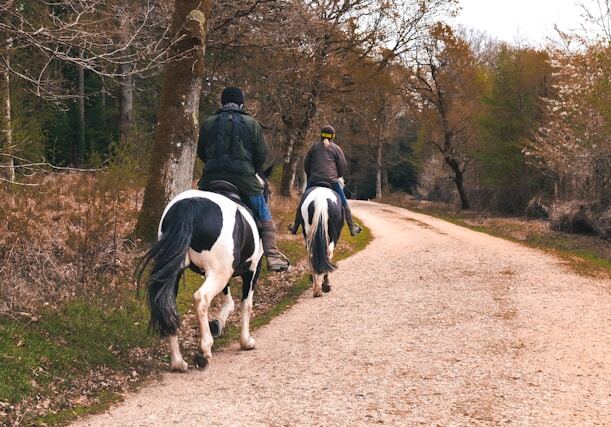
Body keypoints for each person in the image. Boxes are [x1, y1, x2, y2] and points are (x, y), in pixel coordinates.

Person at [197, 86, 290, 272]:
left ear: (222, 102)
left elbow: (201, 152)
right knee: (263, 211)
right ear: (241, 103)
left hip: (210, 178)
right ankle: (271, 254)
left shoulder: (208, 122)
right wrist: (252, 169)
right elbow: (261, 154)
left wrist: (214, 165)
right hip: (243, 179)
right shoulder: (251, 123)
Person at [289, 125, 362, 236]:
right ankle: (352, 227)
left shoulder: (313, 147)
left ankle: (295, 226)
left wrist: (312, 175)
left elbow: (306, 164)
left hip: (314, 180)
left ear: (321, 135)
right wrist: (338, 176)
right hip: (332, 182)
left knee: (303, 201)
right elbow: (342, 166)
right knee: (344, 203)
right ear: (333, 136)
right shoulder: (336, 149)